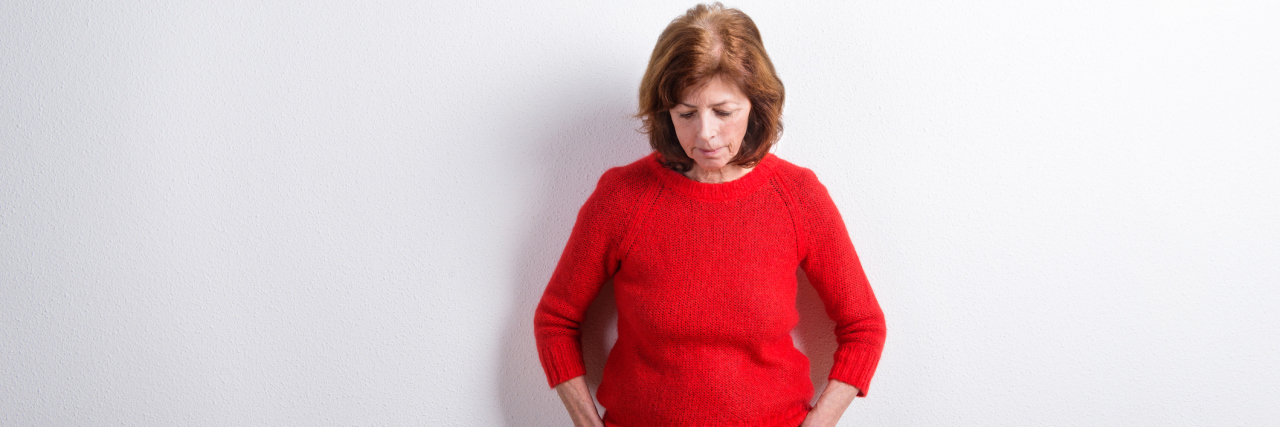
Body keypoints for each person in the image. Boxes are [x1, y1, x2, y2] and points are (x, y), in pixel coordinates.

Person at [533, 3, 886, 426]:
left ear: (756, 105)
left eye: (723, 111)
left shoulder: (797, 196)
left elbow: (864, 326)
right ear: (664, 113)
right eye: (686, 113)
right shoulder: (624, 197)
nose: (705, 133)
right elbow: (555, 319)